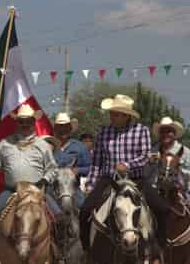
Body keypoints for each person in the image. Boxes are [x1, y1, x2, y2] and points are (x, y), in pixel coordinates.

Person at [79, 94, 168, 264]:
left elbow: (145, 156)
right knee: (84, 210)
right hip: (109, 179)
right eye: (111, 113)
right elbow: (97, 161)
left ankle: (159, 249)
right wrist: (90, 183)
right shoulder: (103, 133)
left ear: (126, 115)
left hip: (136, 179)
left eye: (116, 113)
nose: (112, 116)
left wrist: (127, 165)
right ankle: (86, 250)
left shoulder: (141, 131)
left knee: (162, 209)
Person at [0, 104, 64, 260]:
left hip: (37, 191)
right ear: (17, 123)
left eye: (28, 122)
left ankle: (60, 254)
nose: (25, 125)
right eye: (21, 122)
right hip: (12, 190)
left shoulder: (43, 145)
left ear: (33, 123)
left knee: (59, 218)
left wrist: (44, 180)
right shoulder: (5, 144)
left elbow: (53, 169)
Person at [152, 116, 190, 220]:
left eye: (169, 131)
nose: (165, 134)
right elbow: (146, 173)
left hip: (180, 192)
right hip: (156, 192)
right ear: (159, 134)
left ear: (174, 134)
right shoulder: (153, 151)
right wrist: (150, 163)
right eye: (163, 131)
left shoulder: (185, 151)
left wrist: (181, 170)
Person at [53, 112, 90, 206]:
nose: (63, 130)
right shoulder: (49, 146)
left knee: (83, 209)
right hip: (52, 189)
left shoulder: (80, 147)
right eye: (60, 127)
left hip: (73, 188)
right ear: (55, 129)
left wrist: (78, 170)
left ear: (70, 129)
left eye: (66, 127)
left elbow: (90, 167)